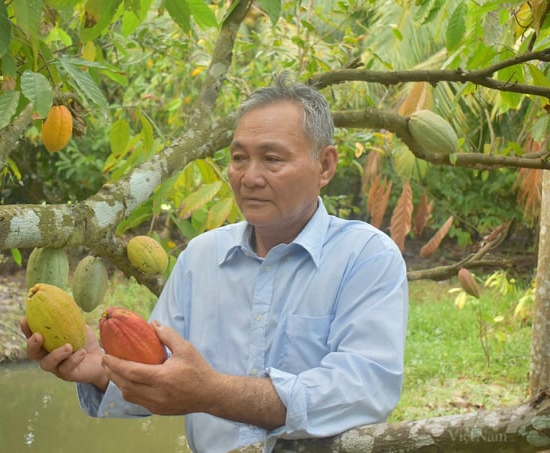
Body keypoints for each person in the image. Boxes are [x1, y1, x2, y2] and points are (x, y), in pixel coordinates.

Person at [21, 73, 409, 453]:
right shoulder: (200, 257)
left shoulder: (365, 256)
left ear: (324, 165)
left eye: (272, 159)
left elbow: (363, 390)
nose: (249, 177)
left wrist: (213, 392)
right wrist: (102, 370)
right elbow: (165, 378)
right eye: (239, 158)